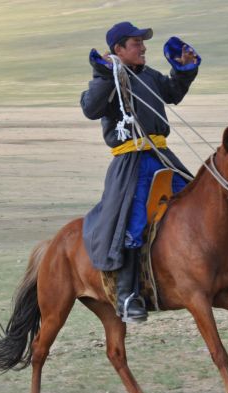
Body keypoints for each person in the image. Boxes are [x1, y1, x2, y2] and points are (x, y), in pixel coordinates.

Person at [80, 21, 200, 323]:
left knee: (196, 201)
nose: (143, 47)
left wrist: (184, 70)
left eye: (142, 42)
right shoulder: (107, 80)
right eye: (136, 43)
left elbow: (172, 92)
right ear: (118, 49)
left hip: (160, 155)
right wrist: (105, 73)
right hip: (130, 163)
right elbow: (90, 108)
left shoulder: (148, 76)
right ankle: (127, 296)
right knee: (132, 223)